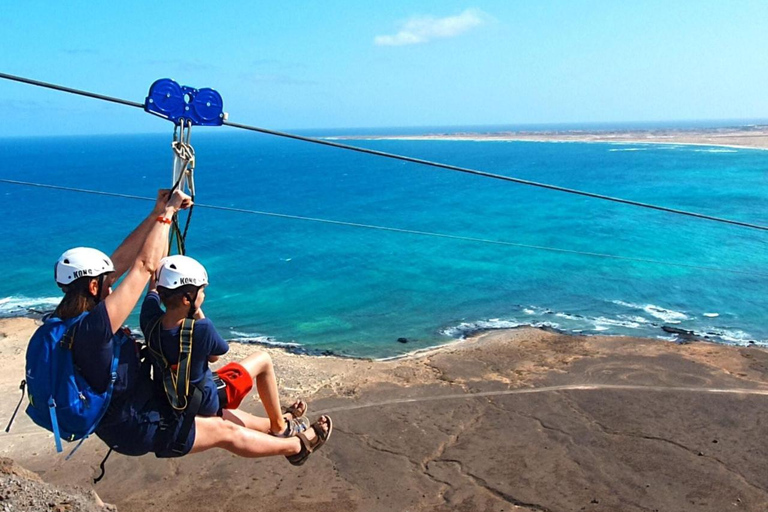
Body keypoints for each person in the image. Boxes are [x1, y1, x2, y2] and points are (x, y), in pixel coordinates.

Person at [42, 189, 331, 464]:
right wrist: (167, 213)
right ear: (94, 285)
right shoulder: (94, 329)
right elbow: (144, 267)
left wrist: (158, 214)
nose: (113, 282)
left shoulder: (69, 316)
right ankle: (298, 446)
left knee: (221, 413)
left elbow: (128, 262)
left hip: (143, 403)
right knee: (222, 431)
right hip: (136, 425)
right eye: (108, 280)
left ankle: (278, 424)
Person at [139, 254, 310, 437]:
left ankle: (284, 417)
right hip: (202, 400)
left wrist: (163, 271)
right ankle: (279, 427)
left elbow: (153, 290)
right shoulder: (202, 328)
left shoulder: (148, 318)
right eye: (201, 291)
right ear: (187, 299)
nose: (203, 295)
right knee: (263, 360)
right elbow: (215, 356)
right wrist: (196, 312)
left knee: (228, 406)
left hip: (170, 394)